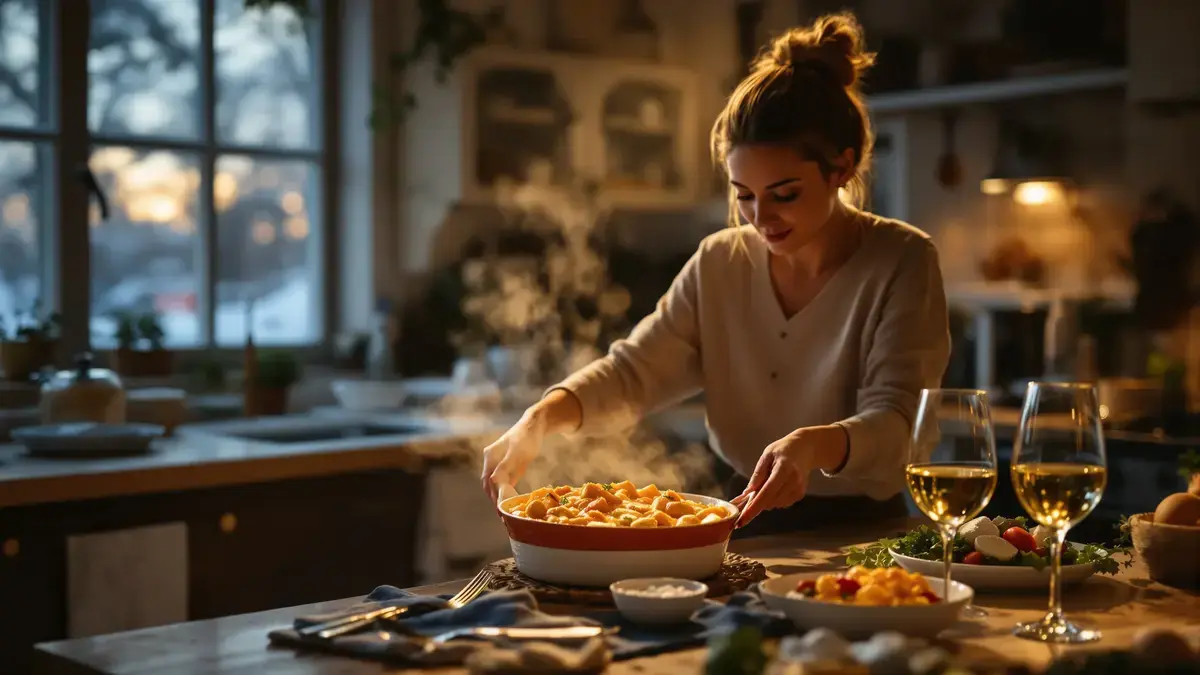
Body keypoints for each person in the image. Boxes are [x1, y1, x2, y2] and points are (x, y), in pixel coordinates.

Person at [481, 12, 951, 537]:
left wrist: (814, 445)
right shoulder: (720, 262)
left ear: (840, 168)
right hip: (741, 522)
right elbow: (632, 375)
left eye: (785, 194)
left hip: (862, 534)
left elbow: (898, 421)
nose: (760, 218)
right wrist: (539, 420)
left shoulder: (901, 260)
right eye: (743, 195)